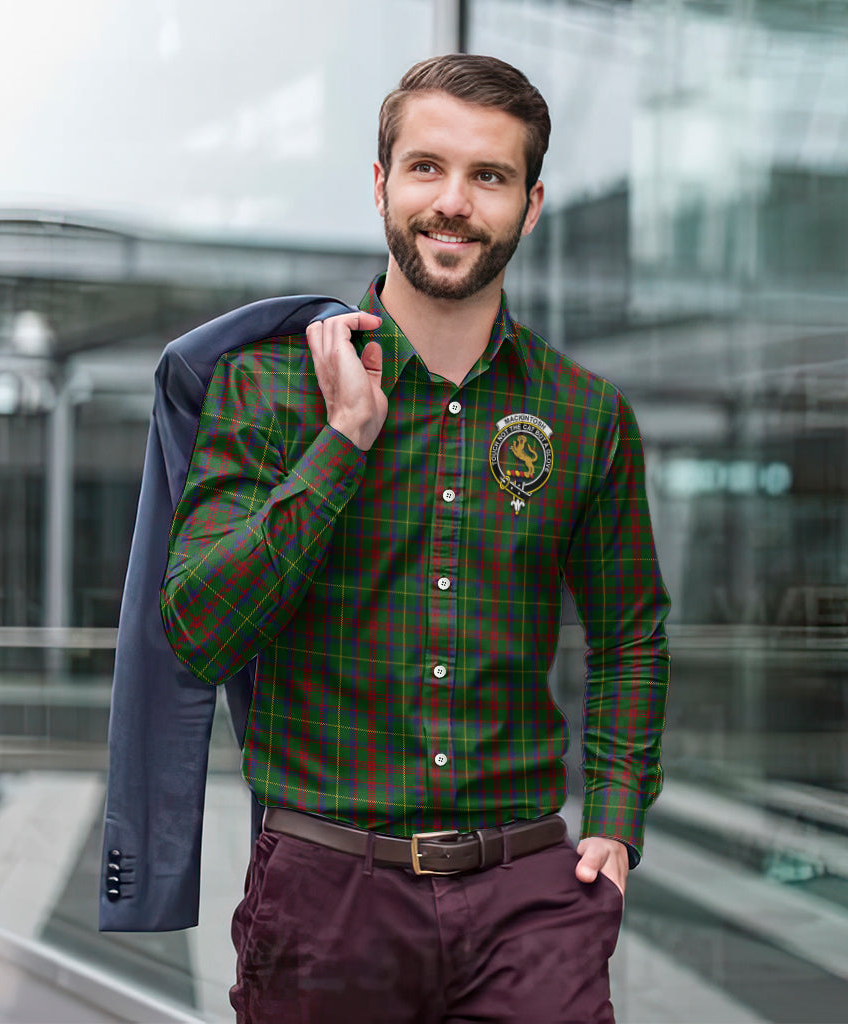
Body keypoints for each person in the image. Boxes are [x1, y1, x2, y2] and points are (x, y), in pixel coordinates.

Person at [161, 53, 670, 1024]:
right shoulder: (265, 390)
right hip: (326, 897)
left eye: (490, 176)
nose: (454, 202)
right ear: (381, 183)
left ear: (530, 203)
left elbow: (630, 631)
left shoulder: (585, 413)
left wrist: (612, 817)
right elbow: (198, 631)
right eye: (427, 167)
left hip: (529, 895)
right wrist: (344, 440)